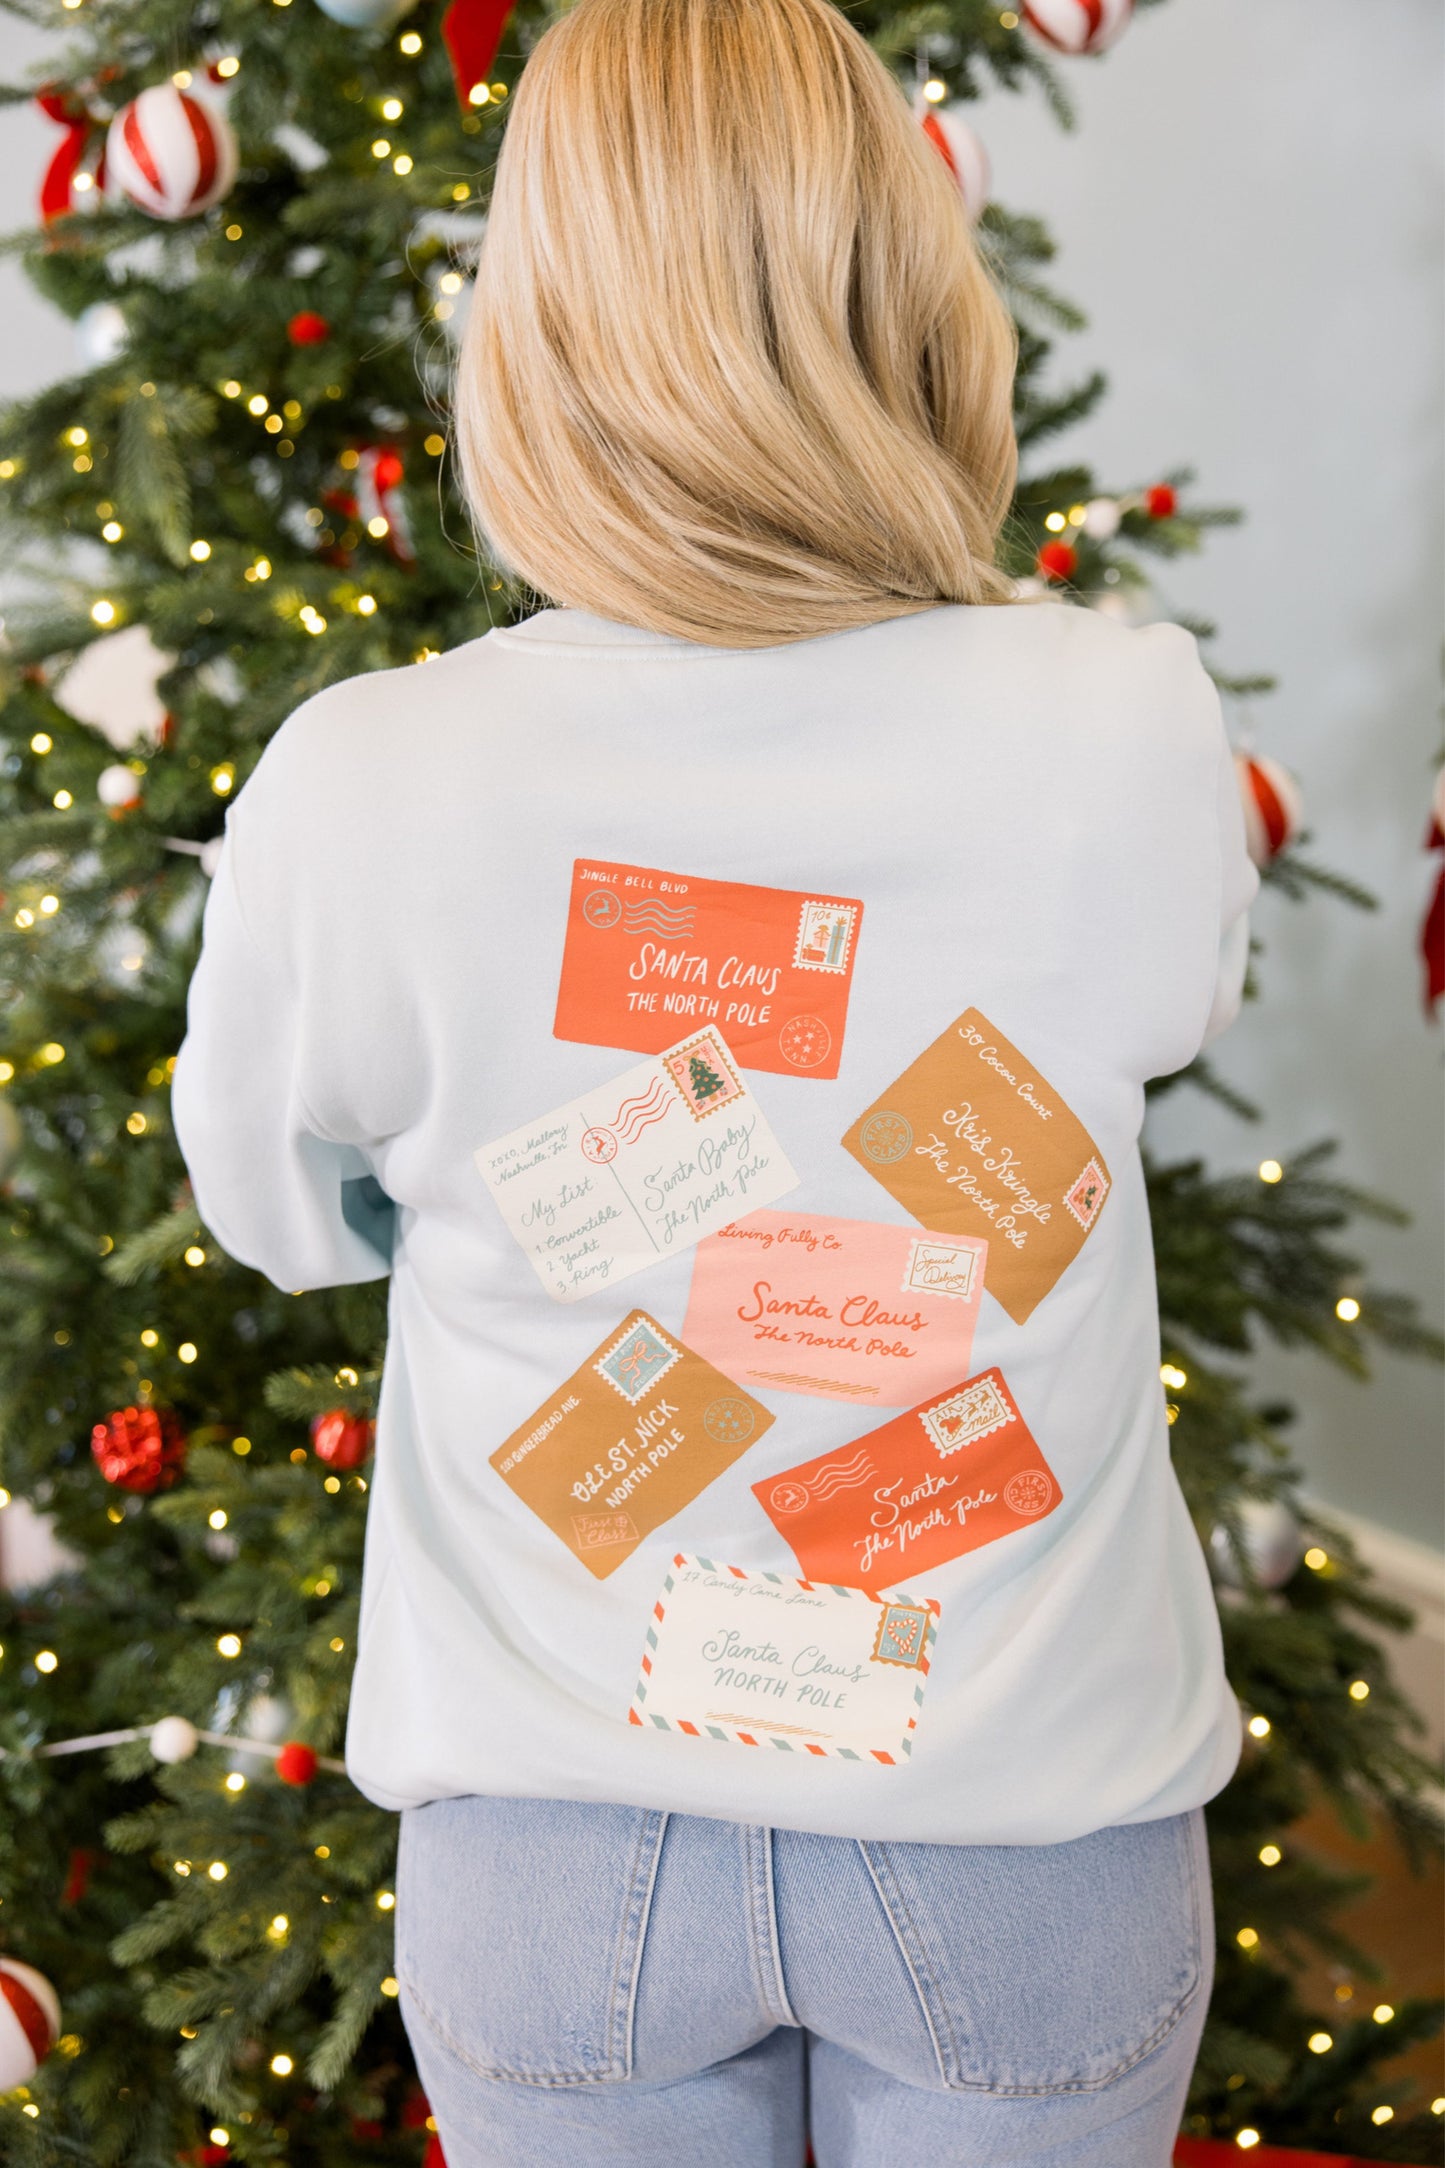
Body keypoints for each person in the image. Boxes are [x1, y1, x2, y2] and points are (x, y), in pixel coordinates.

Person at [172, 0, 1257, 2160]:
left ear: (536, 322)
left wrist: (487, 1170)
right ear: (909, 293)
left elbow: (276, 1210)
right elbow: (1162, 1007)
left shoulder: (366, 778)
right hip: (1018, 1823)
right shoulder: (1116, 721)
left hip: (554, 1843)